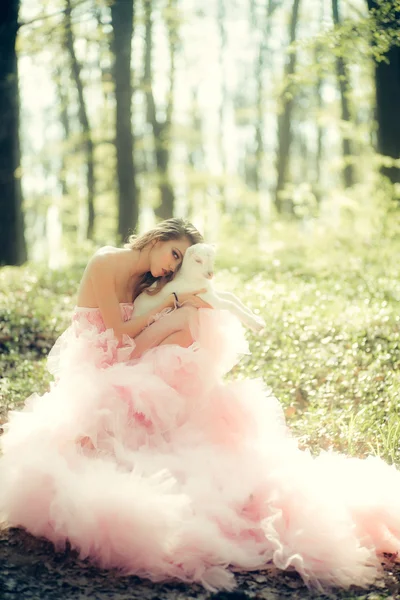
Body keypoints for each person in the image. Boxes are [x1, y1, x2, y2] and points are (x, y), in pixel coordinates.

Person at [0, 218, 400, 593]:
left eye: (179, 264)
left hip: (126, 353)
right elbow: (119, 329)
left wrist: (184, 298)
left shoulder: (147, 279)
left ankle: (186, 423)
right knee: (176, 322)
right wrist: (168, 299)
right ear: (158, 238)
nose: (172, 267)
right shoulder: (106, 261)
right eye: (174, 255)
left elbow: (147, 322)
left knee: (194, 316)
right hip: (100, 361)